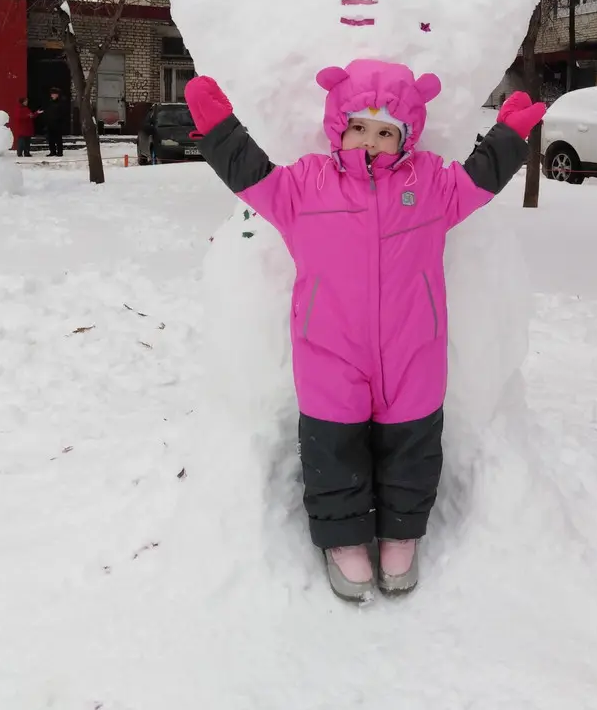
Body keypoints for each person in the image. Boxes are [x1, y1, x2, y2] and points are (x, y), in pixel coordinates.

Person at [185, 59, 545, 601]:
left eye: (385, 131)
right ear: (339, 125)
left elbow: (479, 180)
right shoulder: (306, 184)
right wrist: (219, 130)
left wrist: (509, 137)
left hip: (412, 345)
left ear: (406, 136)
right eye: (359, 126)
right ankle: (344, 540)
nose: (371, 141)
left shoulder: (430, 185)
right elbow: (252, 175)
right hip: (329, 346)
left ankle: (402, 533)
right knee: (333, 444)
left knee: (412, 443)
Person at [44, 87, 66, 157]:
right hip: (50, 123)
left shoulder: (61, 102)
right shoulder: (50, 102)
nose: (52, 96)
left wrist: (59, 120)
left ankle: (59, 152)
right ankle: (52, 151)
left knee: (58, 139)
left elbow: (63, 113)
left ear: (57, 95)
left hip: (58, 124)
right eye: (51, 94)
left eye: (53, 94)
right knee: (51, 139)